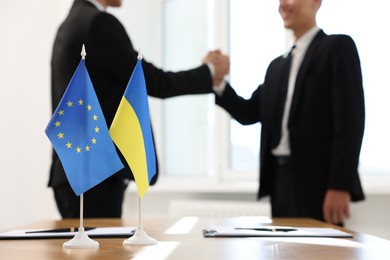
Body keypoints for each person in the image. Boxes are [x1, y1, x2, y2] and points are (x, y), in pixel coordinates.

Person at [50, 0, 229, 218]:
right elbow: (151, 81)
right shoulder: (98, 23)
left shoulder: (71, 23)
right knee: (101, 251)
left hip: (74, 170)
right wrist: (209, 71)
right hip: (95, 175)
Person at [210, 0, 365, 224]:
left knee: (320, 256)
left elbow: (350, 120)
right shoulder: (276, 67)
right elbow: (248, 113)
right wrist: (218, 82)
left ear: (316, 2)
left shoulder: (337, 47)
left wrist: (339, 184)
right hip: (279, 181)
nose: (284, 5)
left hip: (319, 183)